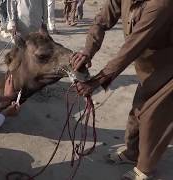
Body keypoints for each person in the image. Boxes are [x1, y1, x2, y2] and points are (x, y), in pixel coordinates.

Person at [70, 0, 173, 179]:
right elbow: (101, 21)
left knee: (152, 116)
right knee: (136, 112)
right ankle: (132, 153)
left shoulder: (161, 4)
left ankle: (145, 170)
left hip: (169, 67)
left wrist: (95, 82)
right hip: (150, 68)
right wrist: (87, 51)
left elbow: (131, 48)